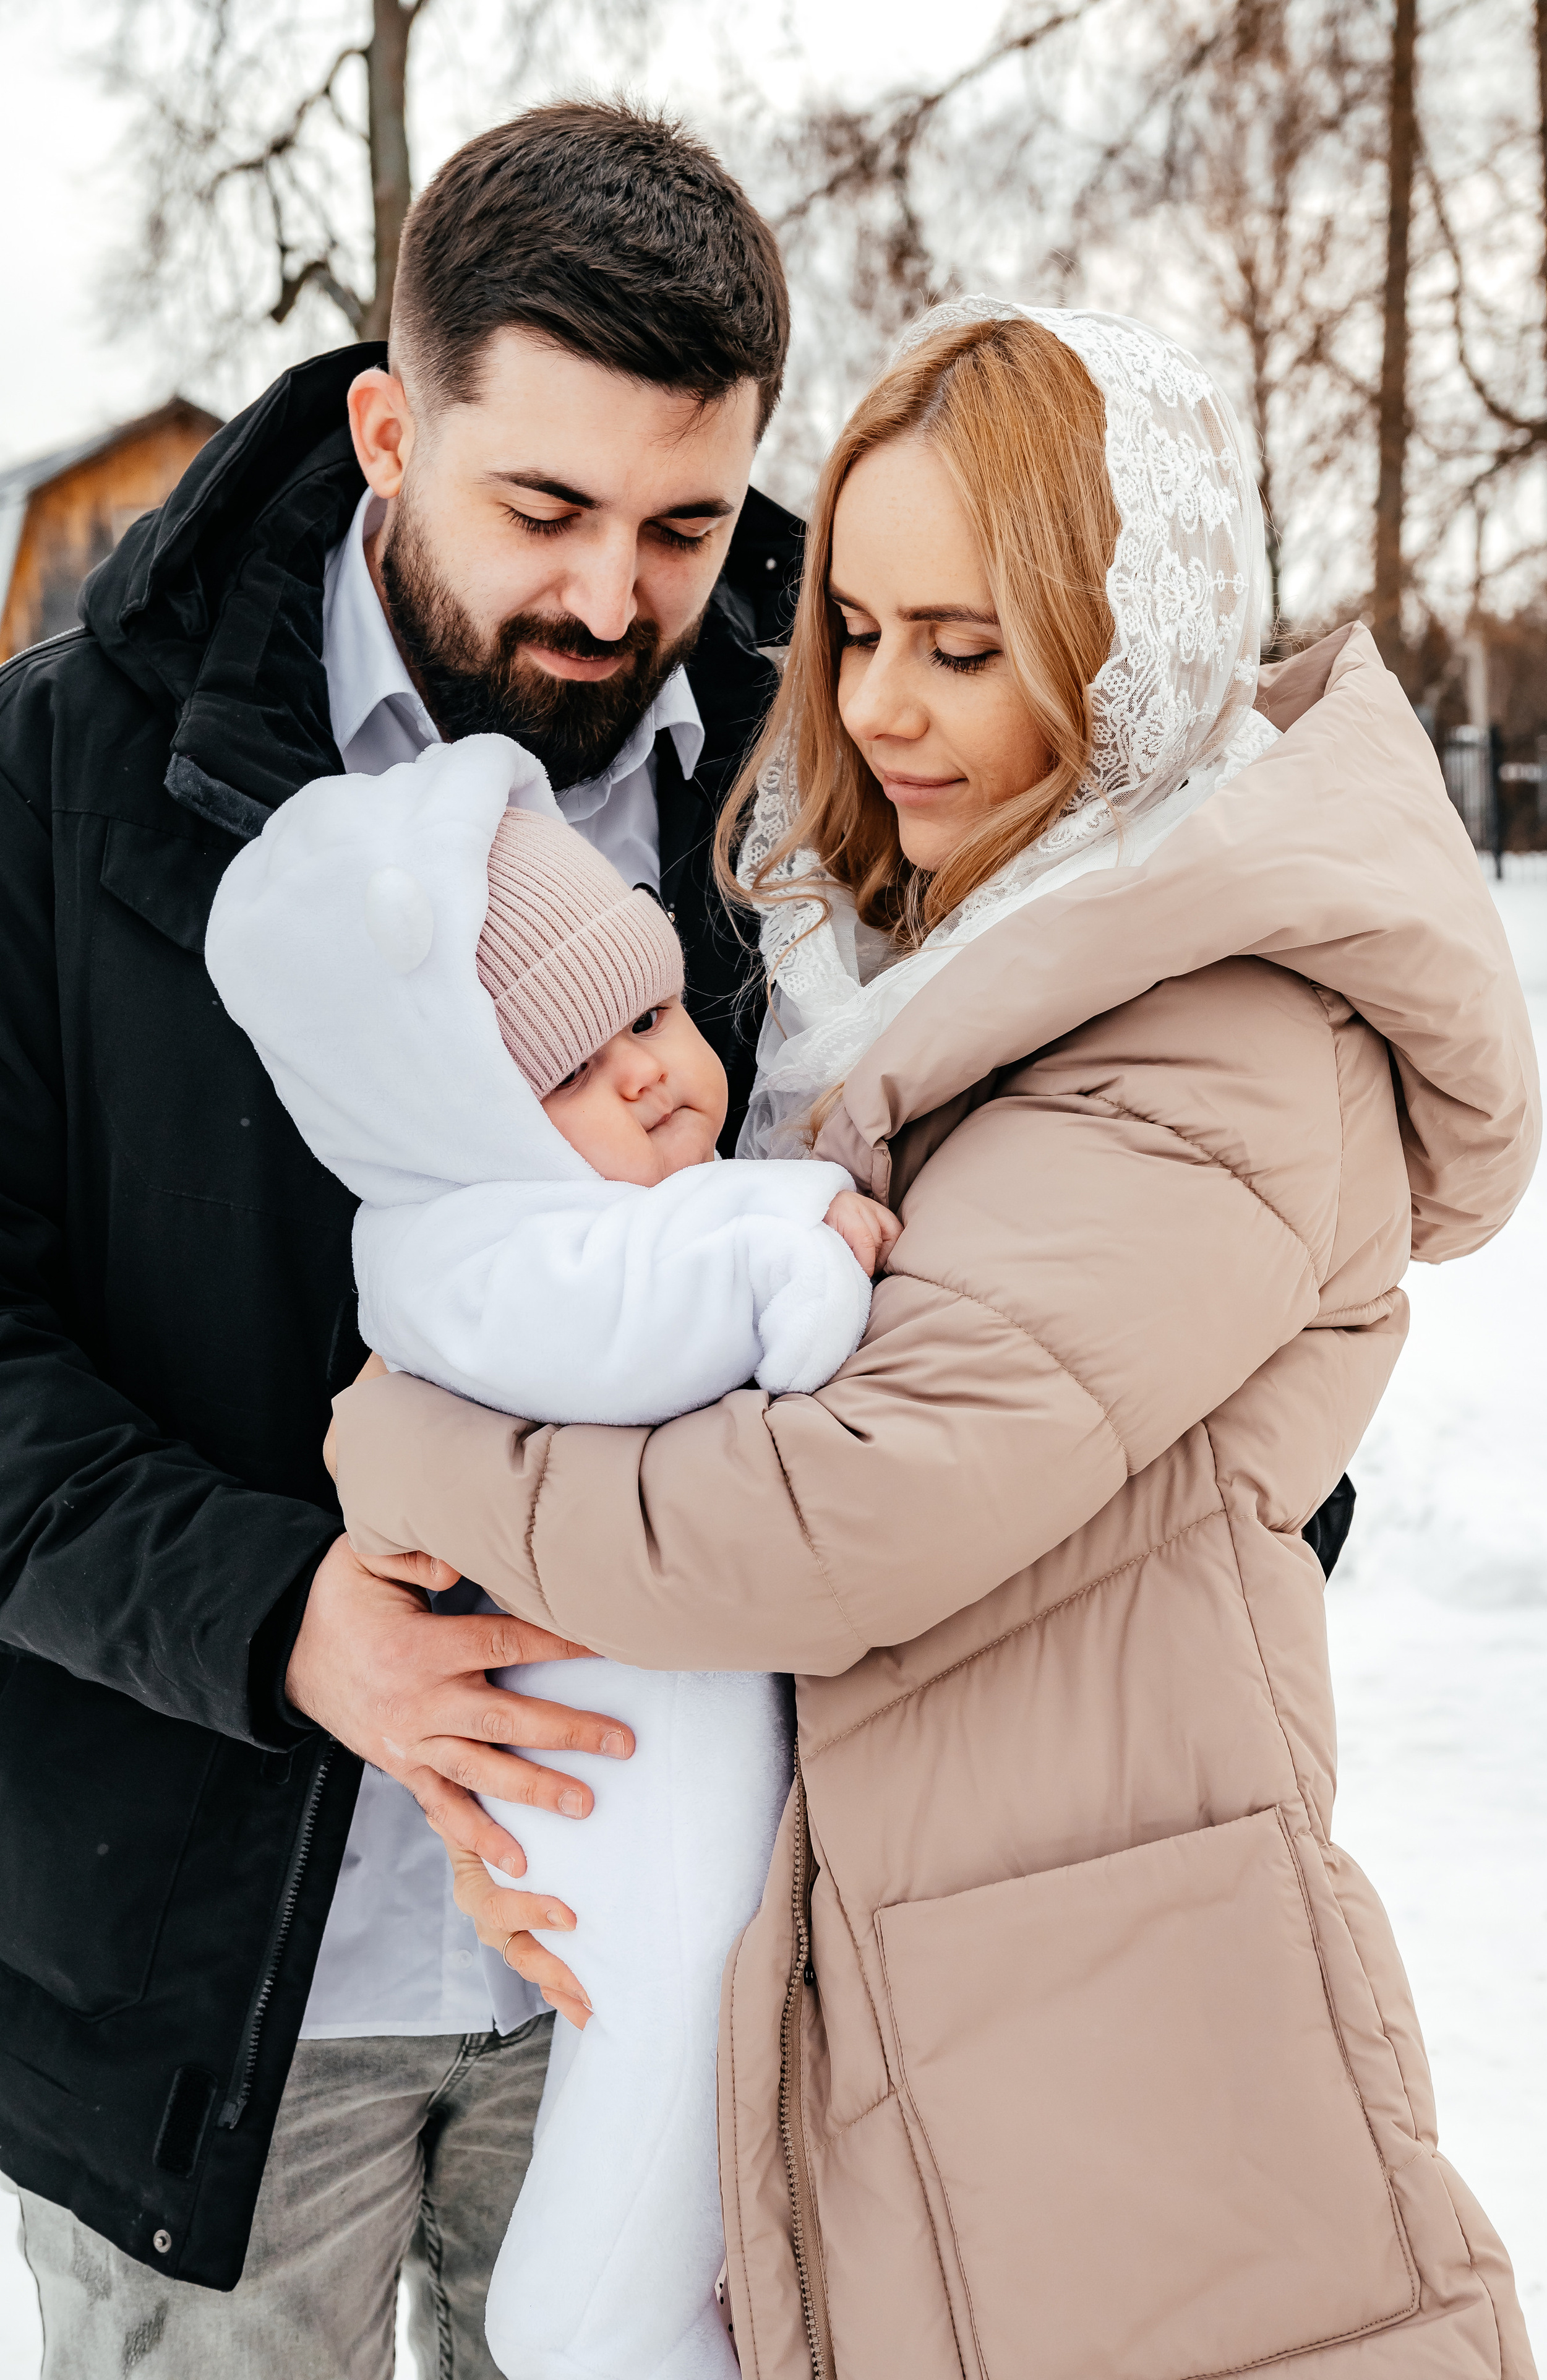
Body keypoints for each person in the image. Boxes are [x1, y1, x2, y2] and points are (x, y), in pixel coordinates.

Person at [333, 305, 1542, 2379]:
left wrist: (416, 1458)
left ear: (1123, 650)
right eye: (862, 631)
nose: (885, 708)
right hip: (938, 1993)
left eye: (966, 648)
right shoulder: (931, 987)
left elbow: (830, 1520)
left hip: (1118, 2054)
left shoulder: (1219, 1034)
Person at [0, 101, 800, 2380]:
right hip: (223, 2021)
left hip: (661, 1993)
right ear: (388, 424)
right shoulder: (62, 784)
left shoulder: (817, 785)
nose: (611, 603)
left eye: (686, 522)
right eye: (539, 506)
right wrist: (281, 1622)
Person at [203, 726, 898, 2378]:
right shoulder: (462, 1250)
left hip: (673, 1771)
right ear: (462, 1110)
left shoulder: (623, 1204)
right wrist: (794, 1248)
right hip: (606, 1804)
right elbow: (636, 1333)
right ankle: (590, 2332)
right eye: (579, 1067)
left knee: (702, 2085)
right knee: (658, 2078)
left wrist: (750, 1211)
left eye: (655, 1014)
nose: (656, 1069)